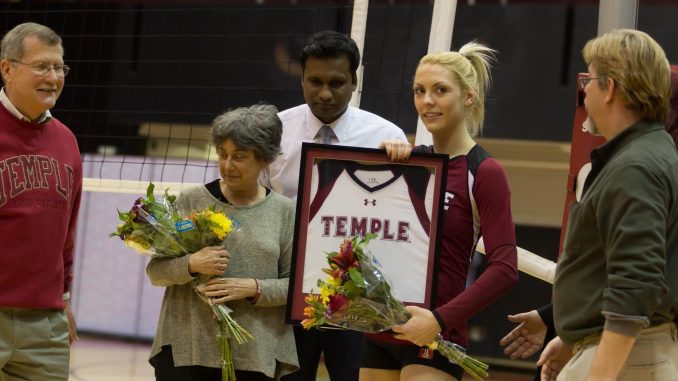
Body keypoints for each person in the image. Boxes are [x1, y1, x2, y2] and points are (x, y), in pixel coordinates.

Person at [500, 64, 678, 380]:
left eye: (591, 80)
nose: (584, 91)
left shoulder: (640, 167)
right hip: (626, 345)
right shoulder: (641, 159)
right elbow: (612, 269)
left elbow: (636, 283)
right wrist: (568, 333)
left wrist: (597, 369)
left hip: (633, 350)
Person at [369, 42, 519, 381]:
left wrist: (439, 319)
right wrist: (378, 164)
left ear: (468, 96)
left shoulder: (484, 171)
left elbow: (506, 268)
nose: (427, 101)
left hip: (437, 334)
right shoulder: (410, 163)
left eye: (440, 90)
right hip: (381, 329)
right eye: (419, 91)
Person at [262, 31, 407, 381]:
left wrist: (405, 162)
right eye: (315, 81)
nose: (325, 93)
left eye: (337, 83)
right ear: (301, 78)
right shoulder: (274, 132)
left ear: (355, 81)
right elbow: (259, 207)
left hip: (358, 291)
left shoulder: (387, 138)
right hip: (288, 286)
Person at [146, 104, 298, 380]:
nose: (228, 165)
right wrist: (191, 264)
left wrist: (253, 288)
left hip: (253, 352)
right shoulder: (190, 201)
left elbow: (295, 288)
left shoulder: (285, 212)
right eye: (223, 154)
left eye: (239, 157)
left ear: (264, 159)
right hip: (187, 348)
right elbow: (156, 272)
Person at [0, 22, 81, 381]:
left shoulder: (67, 141)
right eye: (41, 66)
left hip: (45, 326)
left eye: (58, 67)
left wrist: (63, 297)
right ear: (7, 68)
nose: (53, 77)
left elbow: (67, 234)